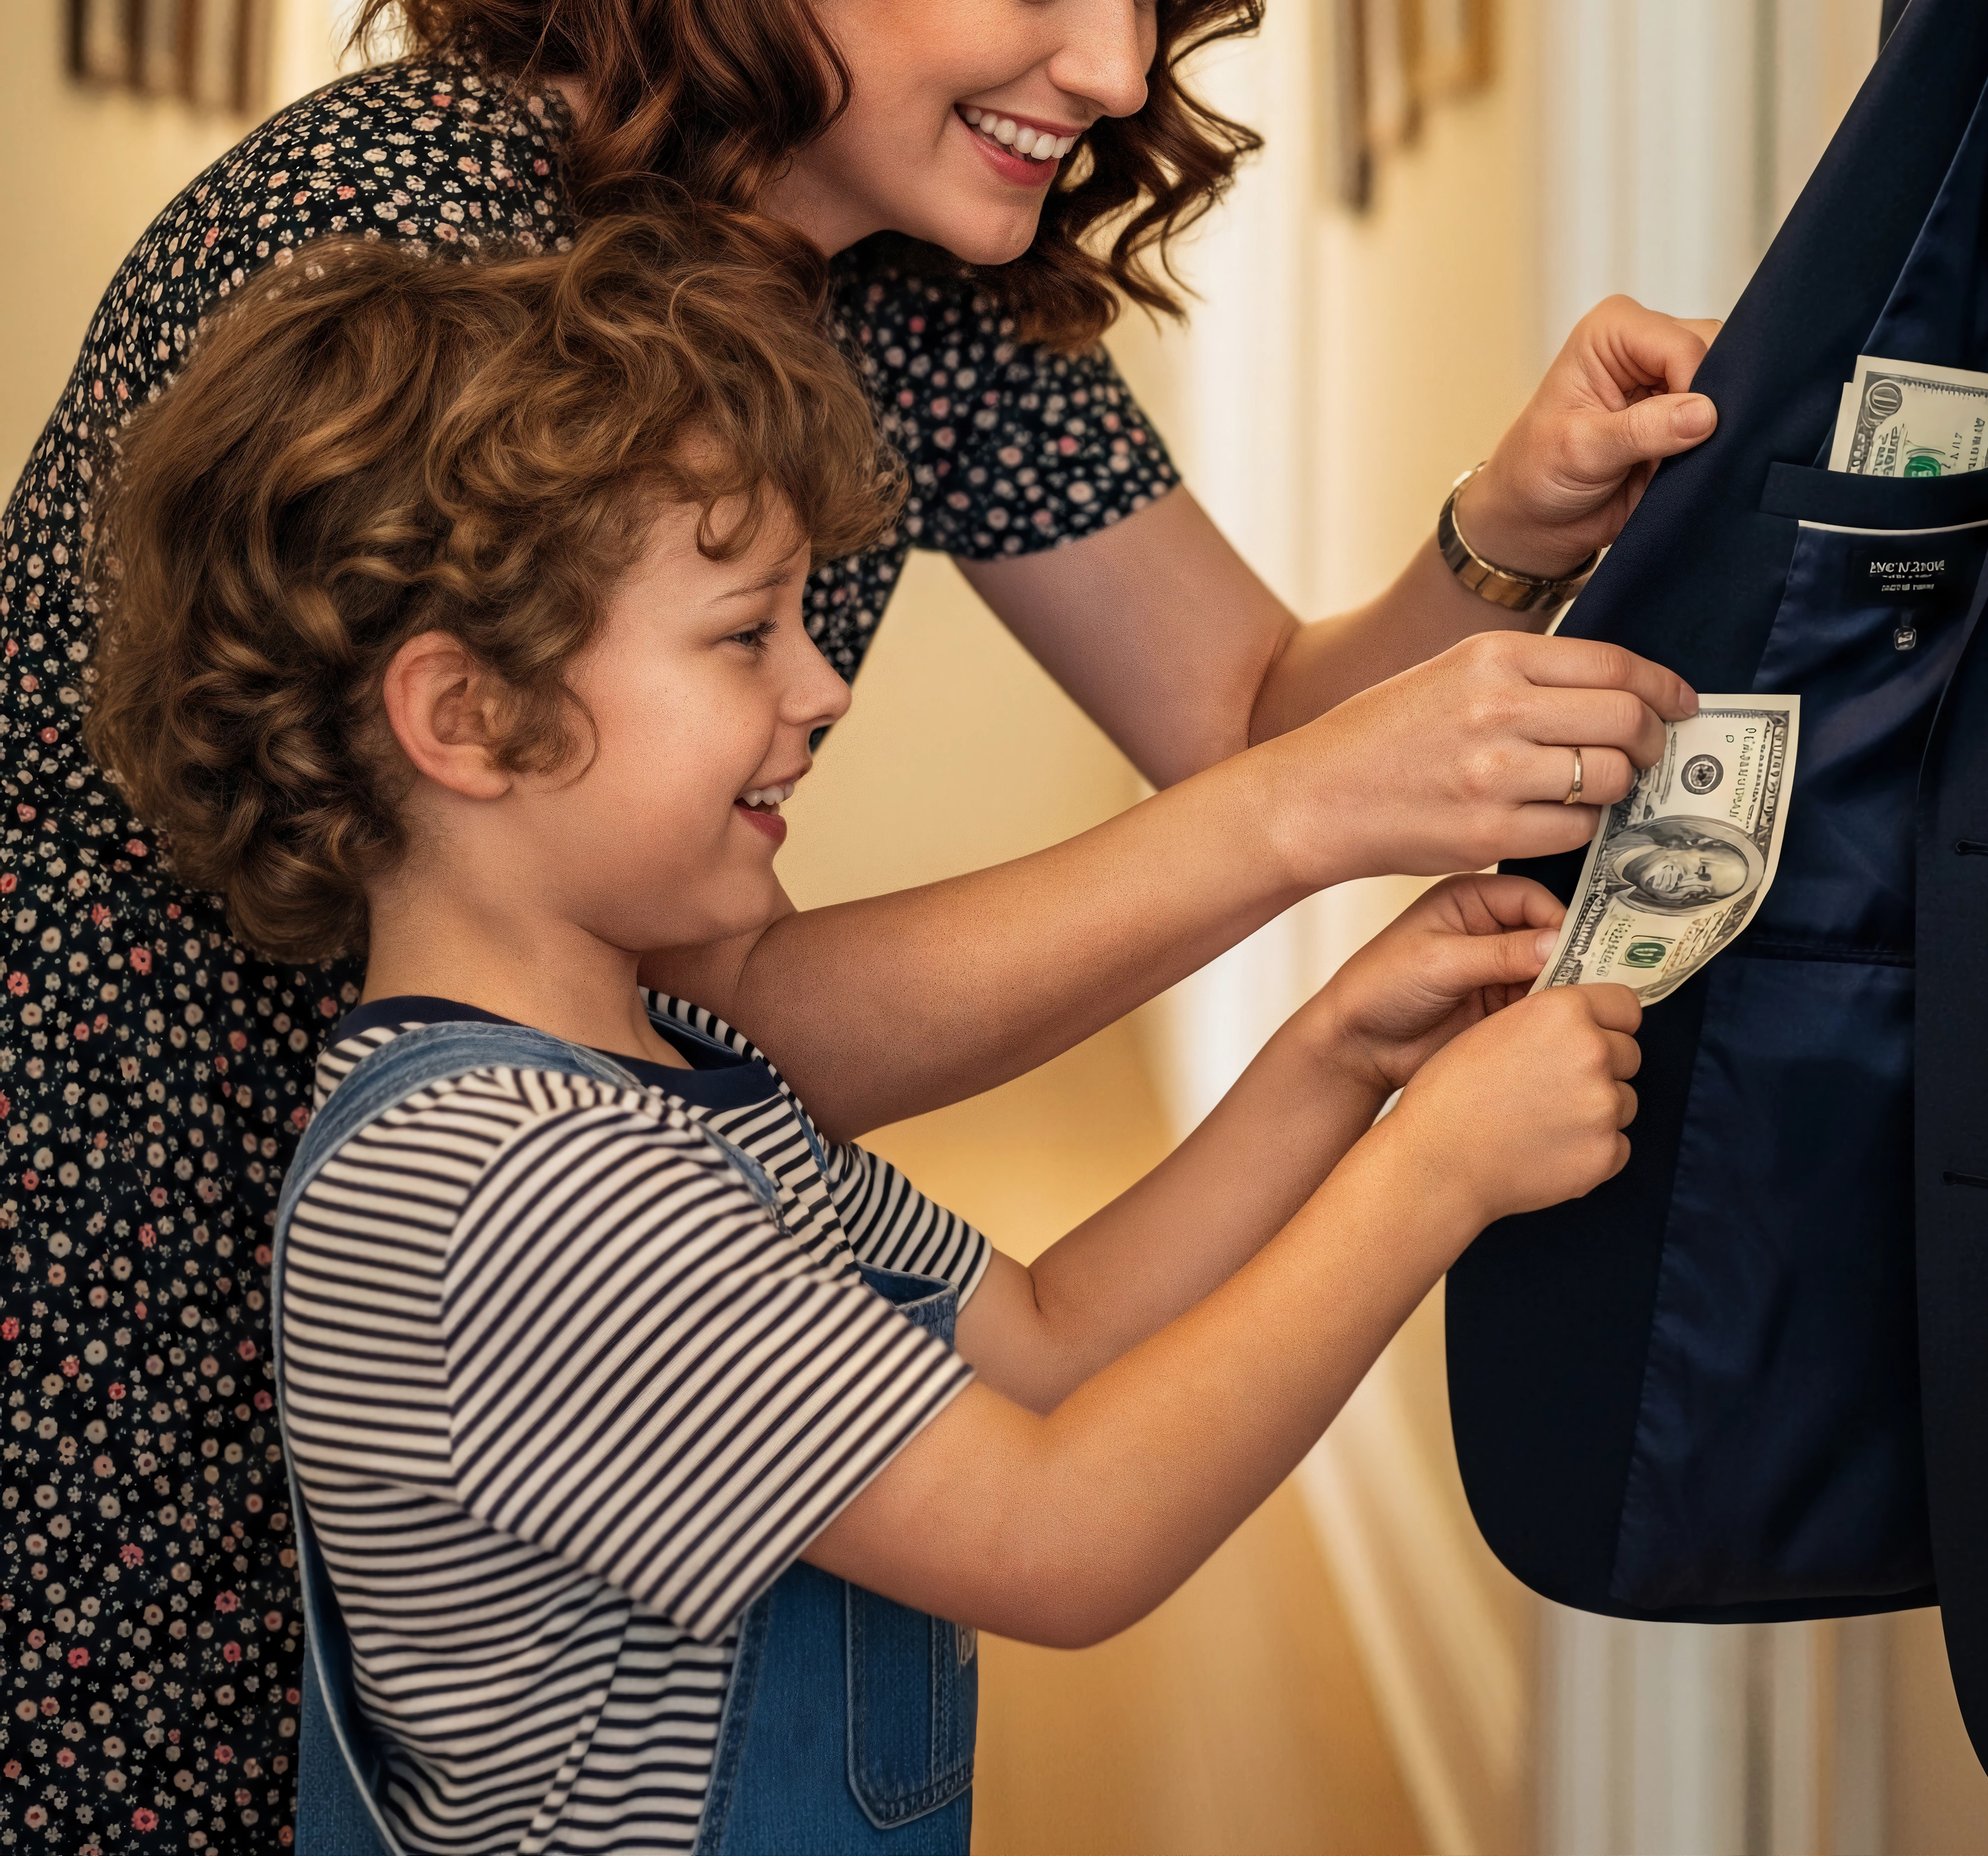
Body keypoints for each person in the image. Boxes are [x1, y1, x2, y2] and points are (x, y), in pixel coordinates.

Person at [0, 0, 1708, 1846]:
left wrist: (1498, 531)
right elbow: (762, 993)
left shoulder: (917, 271)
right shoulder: (427, 250)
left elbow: (1245, 720)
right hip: (140, 1298)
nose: (1114, 65)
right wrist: (1343, 953)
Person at [82, 218, 1642, 1855]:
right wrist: (1432, 1178)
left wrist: (1339, 1061)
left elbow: (1043, 1335)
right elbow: (1058, 1534)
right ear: (466, 715)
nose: (824, 685)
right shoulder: (512, 1186)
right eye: (743, 631)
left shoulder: (657, 1076)